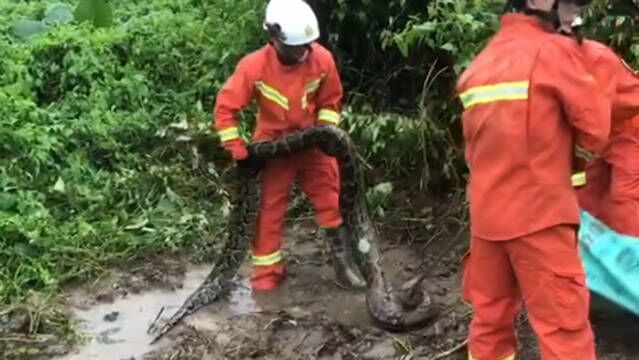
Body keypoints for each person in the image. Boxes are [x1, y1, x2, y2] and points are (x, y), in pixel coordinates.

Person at [455, 0, 612, 358]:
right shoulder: (554, 52)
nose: (575, 15)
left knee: (490, 325)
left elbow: (475, 150)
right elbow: (597, 131)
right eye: (571, 5)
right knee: (563, 329)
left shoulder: (482, 62)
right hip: (540, 219)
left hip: (487, 222)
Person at [212, 0, 366, 292]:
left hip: (313, 145)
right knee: (267, 211)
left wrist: (328, 132)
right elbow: (225, 109)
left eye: (307, 45)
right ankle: (267, 273)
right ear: (275, 37)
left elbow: (331, 100)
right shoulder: (253, 66)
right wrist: (236, 148)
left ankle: (344, 266)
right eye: (297, 47)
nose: (303, 52)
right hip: (271, 149)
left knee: (331, 201)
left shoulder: (322, 59)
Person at [557, 1, 639, 237]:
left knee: (626, 199)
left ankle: (631, 264)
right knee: (588, 199)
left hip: (631, 127)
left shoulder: (595, 58)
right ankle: (594, 259)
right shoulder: (555, 62)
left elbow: (592, 115)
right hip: (604, 133)